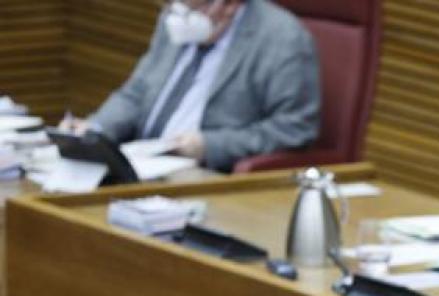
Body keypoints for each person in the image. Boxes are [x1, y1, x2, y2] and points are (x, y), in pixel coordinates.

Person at [65, 0, 319, 171]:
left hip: (203, 175)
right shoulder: (176, 19)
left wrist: (210, 145)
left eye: (191, 8)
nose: (178, 16)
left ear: (229, 6)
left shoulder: (282, 39)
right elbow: (136, 92)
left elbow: (294, 129)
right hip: (141, 164)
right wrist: (95, 130)